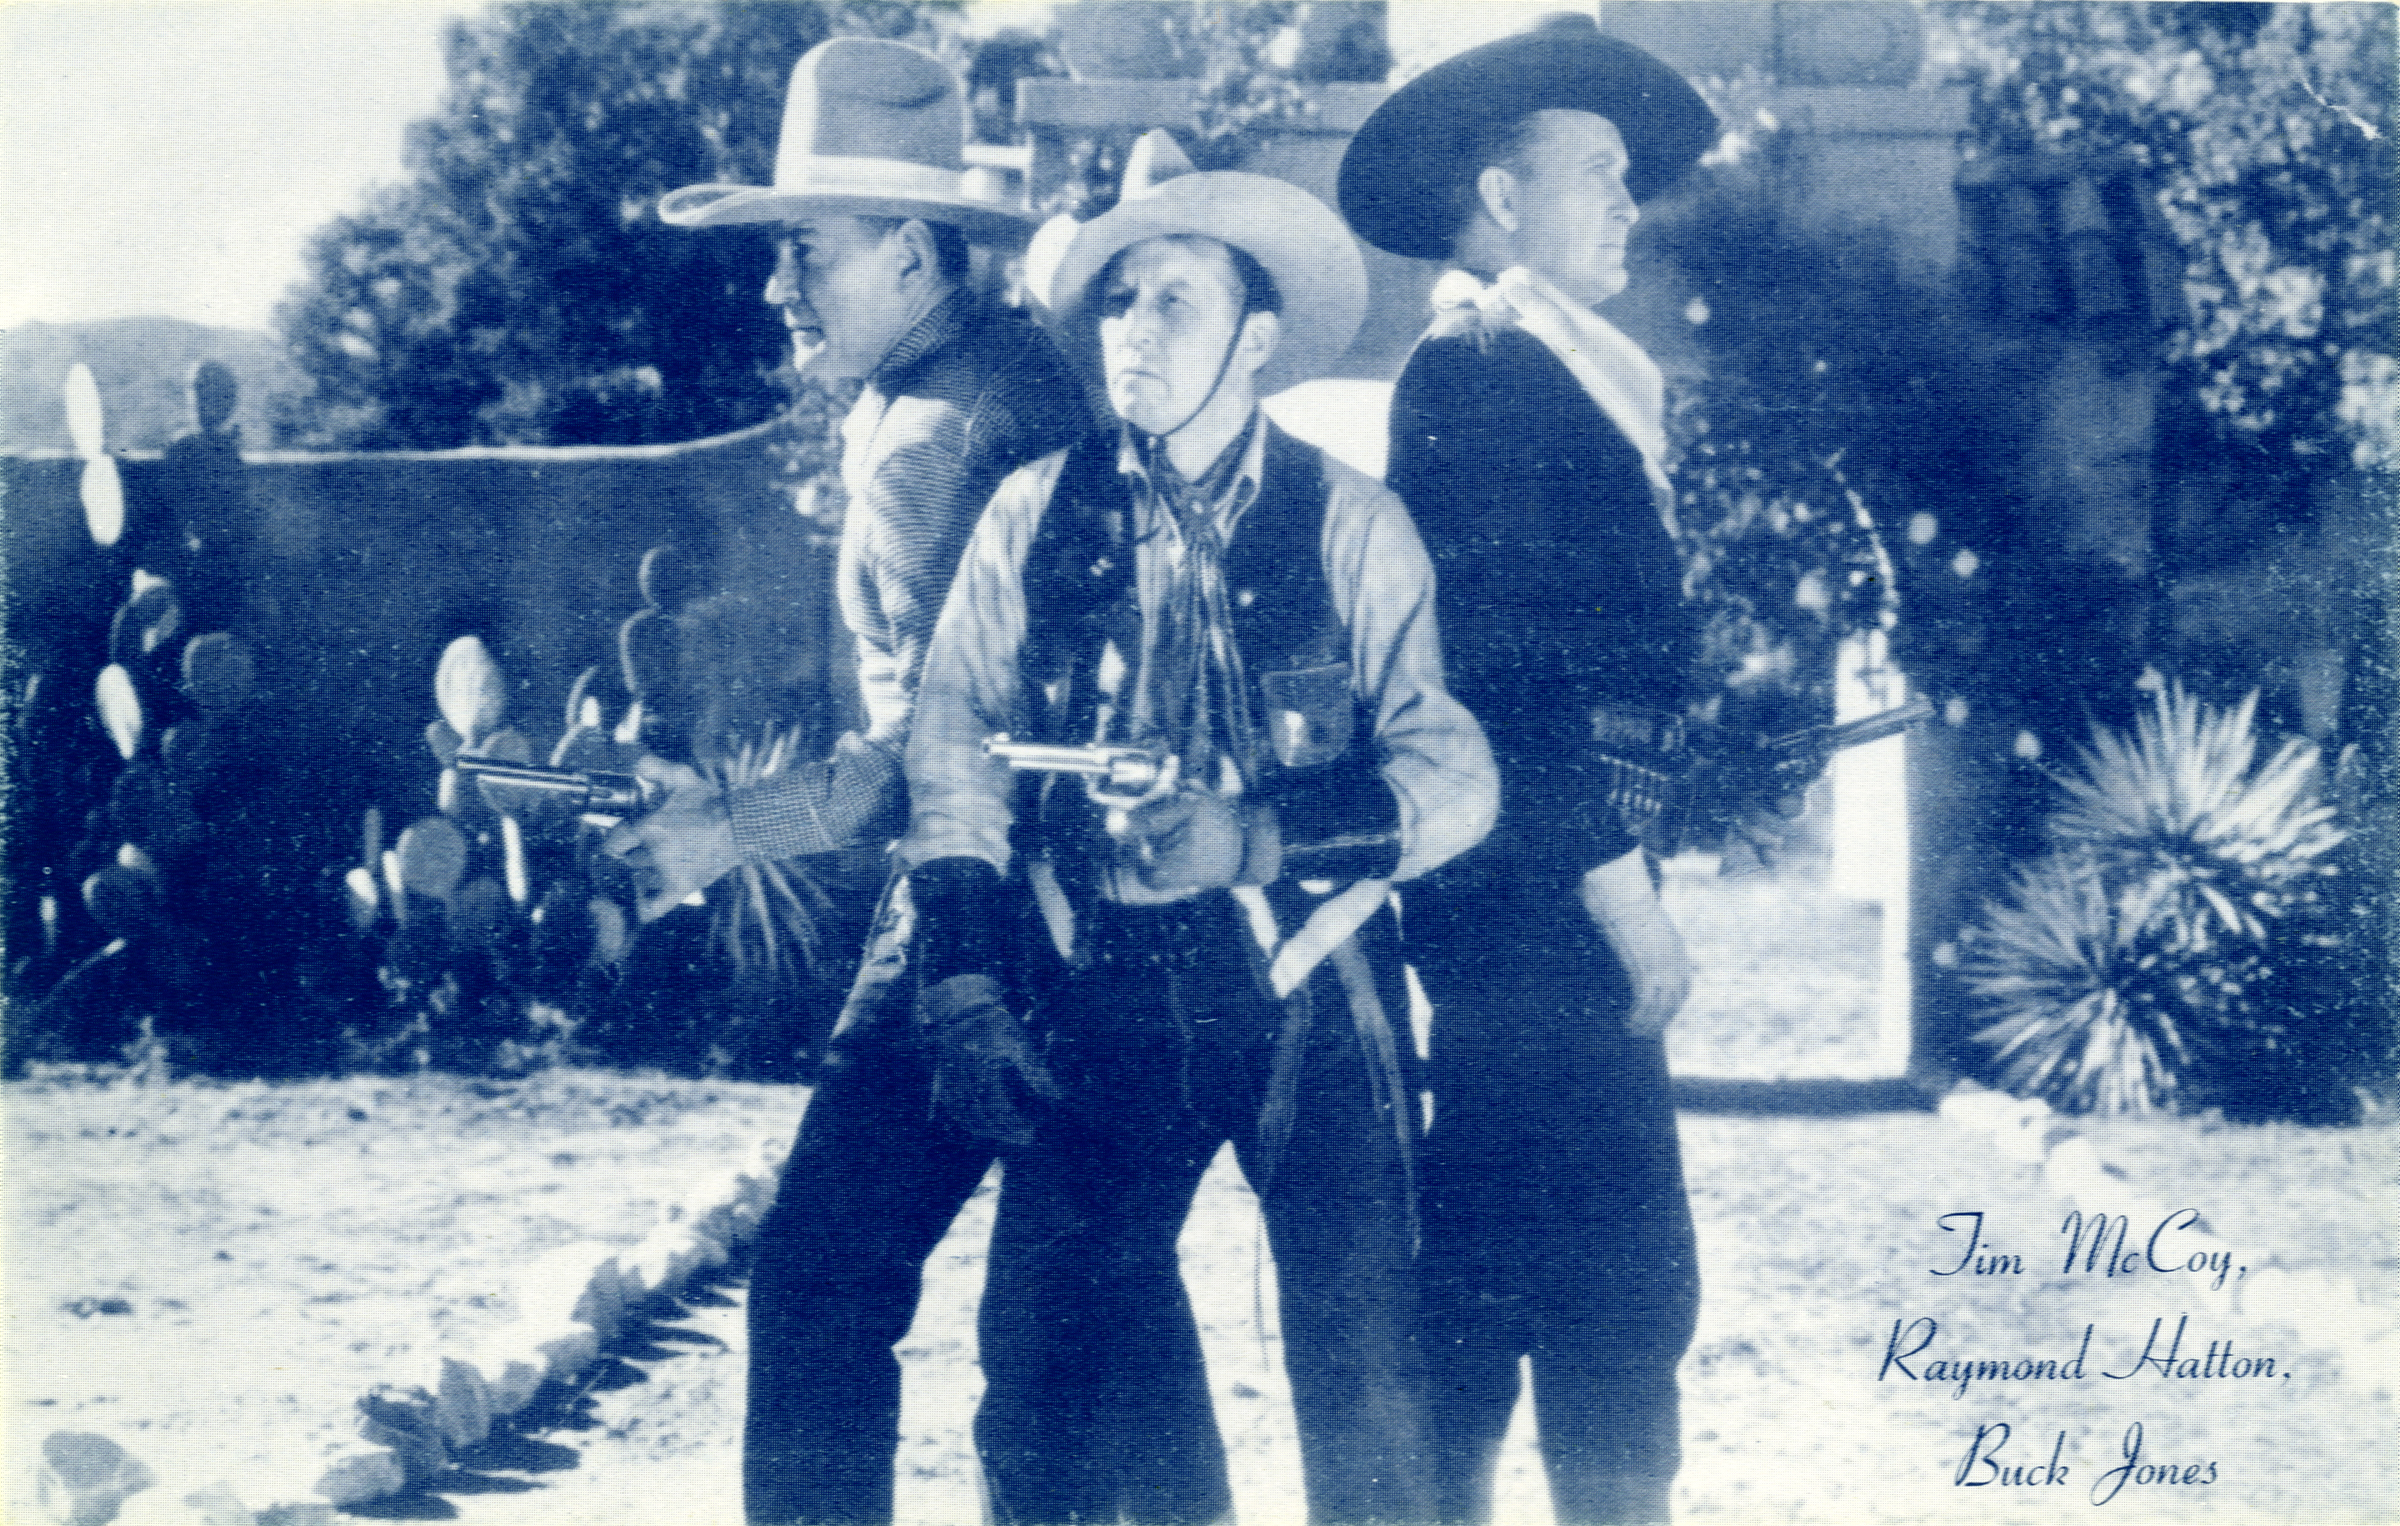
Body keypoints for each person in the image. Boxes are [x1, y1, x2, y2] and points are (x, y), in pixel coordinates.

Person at [899, 130, 1497, 1526]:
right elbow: (951, 753)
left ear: (1257, 337)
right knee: (1042, 1361)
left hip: (1314, 990)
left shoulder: (1353, 523)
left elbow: (1455, 775)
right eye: (1118, 299)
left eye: (1176, 298)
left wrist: (1256, 839)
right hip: (1097, 989)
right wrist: (966, 977)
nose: (1135, 329)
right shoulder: (1031, 517)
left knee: (1369, 1372)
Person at [610, 38, 1131, 1526]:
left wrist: (727, 832)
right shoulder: (1010, 375)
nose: (779, 288)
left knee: (818, 1288)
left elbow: (938, 755)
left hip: (983, 918)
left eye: (808, 252)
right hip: (1111, 915)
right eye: (776, 252)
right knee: (1075, 1345)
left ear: (910, 252)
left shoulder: (932, 439)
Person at [1336, 19, 1723, 1526]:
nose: (1630, 202)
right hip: (1533, 898)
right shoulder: (1482, 368)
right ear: (1503, 198)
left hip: (1531, 886)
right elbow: (1502, 678)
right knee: (1606, 1278)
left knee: (1526, 1265)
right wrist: (1628, 903)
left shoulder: (1545, 366)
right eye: (1598, 172)